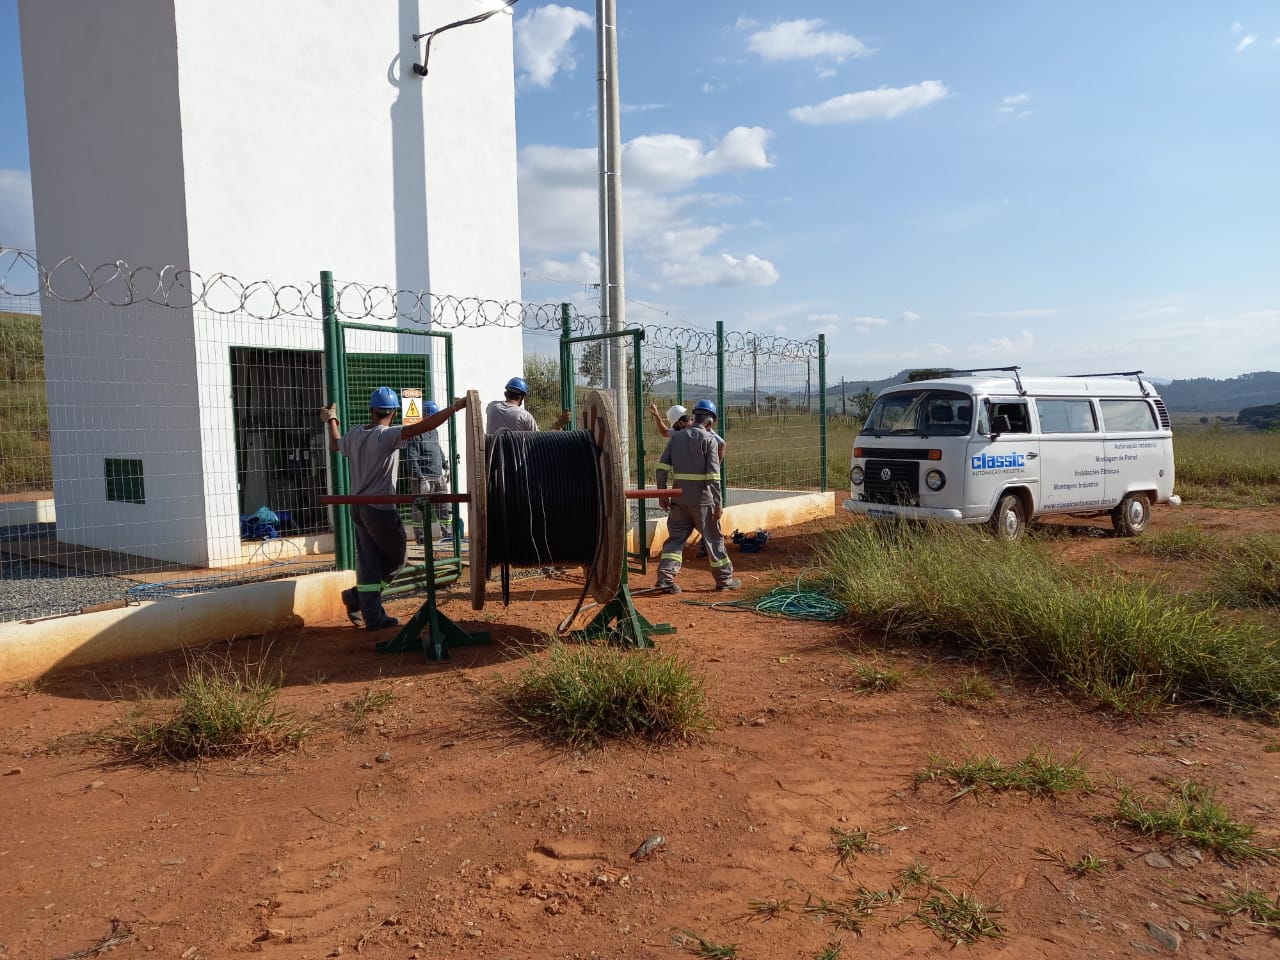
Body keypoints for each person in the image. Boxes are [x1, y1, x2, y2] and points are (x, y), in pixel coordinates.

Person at [322, 387, 466, 632]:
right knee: (399, 559)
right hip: (379, 509)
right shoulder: (388, 435)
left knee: (369, 562)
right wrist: (454, 408)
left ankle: (368, 610)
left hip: (357, 507)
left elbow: (335, 444)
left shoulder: (356, 433)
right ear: (394, 412)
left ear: (371, 409)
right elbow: (422, 427)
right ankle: (360, 599)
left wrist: (331, 419)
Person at [653, 398, 741, 594]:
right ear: (709, 422)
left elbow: (661, 469)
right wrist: (718, 503)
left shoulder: (676, 438)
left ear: (695, 416)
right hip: (703, 502)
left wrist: (663, 493)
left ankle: (665, 579)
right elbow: (713, 476)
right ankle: (724, 580)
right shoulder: (708, 439)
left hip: (678, 500)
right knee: (713, 539)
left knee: (675, 540)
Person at [402, 400, 452, 546]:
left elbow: (438, 449)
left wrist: (446, 465)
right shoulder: (415, 432)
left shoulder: (434, 432)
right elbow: (411, 458)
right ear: (426, 416)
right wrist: (420, 477)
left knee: (444, 507)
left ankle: (448, 534)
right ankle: (421, 537)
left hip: (437, 477)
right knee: (419, 510)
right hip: (422, 479)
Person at [485, 375, 570, 435]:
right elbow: (540, 439)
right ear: (522, 397)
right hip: (518, 459)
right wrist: (558, 425)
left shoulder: (491, 407)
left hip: (493, 457)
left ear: (506, 394)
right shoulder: (524, 416)